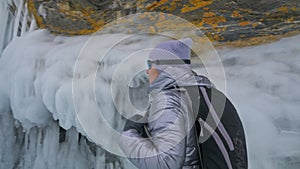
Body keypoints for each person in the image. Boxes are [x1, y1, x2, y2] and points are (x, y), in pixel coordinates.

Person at [119, 38, 248, 169]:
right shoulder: (213, 95)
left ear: (161, 66)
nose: (147, 71)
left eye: (149, 64)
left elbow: (165, 163)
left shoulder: (170, 100)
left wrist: (128, 135)